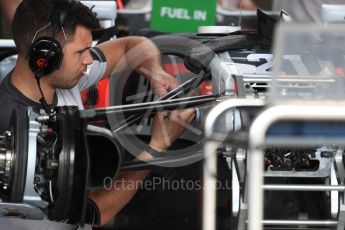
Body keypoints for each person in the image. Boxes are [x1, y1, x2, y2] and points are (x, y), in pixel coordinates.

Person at [0, 0, 195, 228]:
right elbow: (93, 213)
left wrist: (156, 73)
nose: (89, 59)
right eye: (81, 51)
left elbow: (131, 46)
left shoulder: (61, 74)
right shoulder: (12, 138)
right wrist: (156, 147)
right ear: (45, 56)